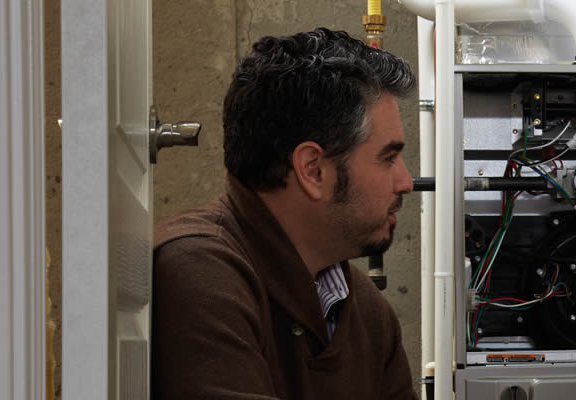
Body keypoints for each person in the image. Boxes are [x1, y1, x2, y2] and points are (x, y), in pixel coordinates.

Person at [151, 28, 418, 399]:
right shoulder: (197, 272)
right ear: (312, 170)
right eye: (388, 158)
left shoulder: (370, 318)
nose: (405, 182)